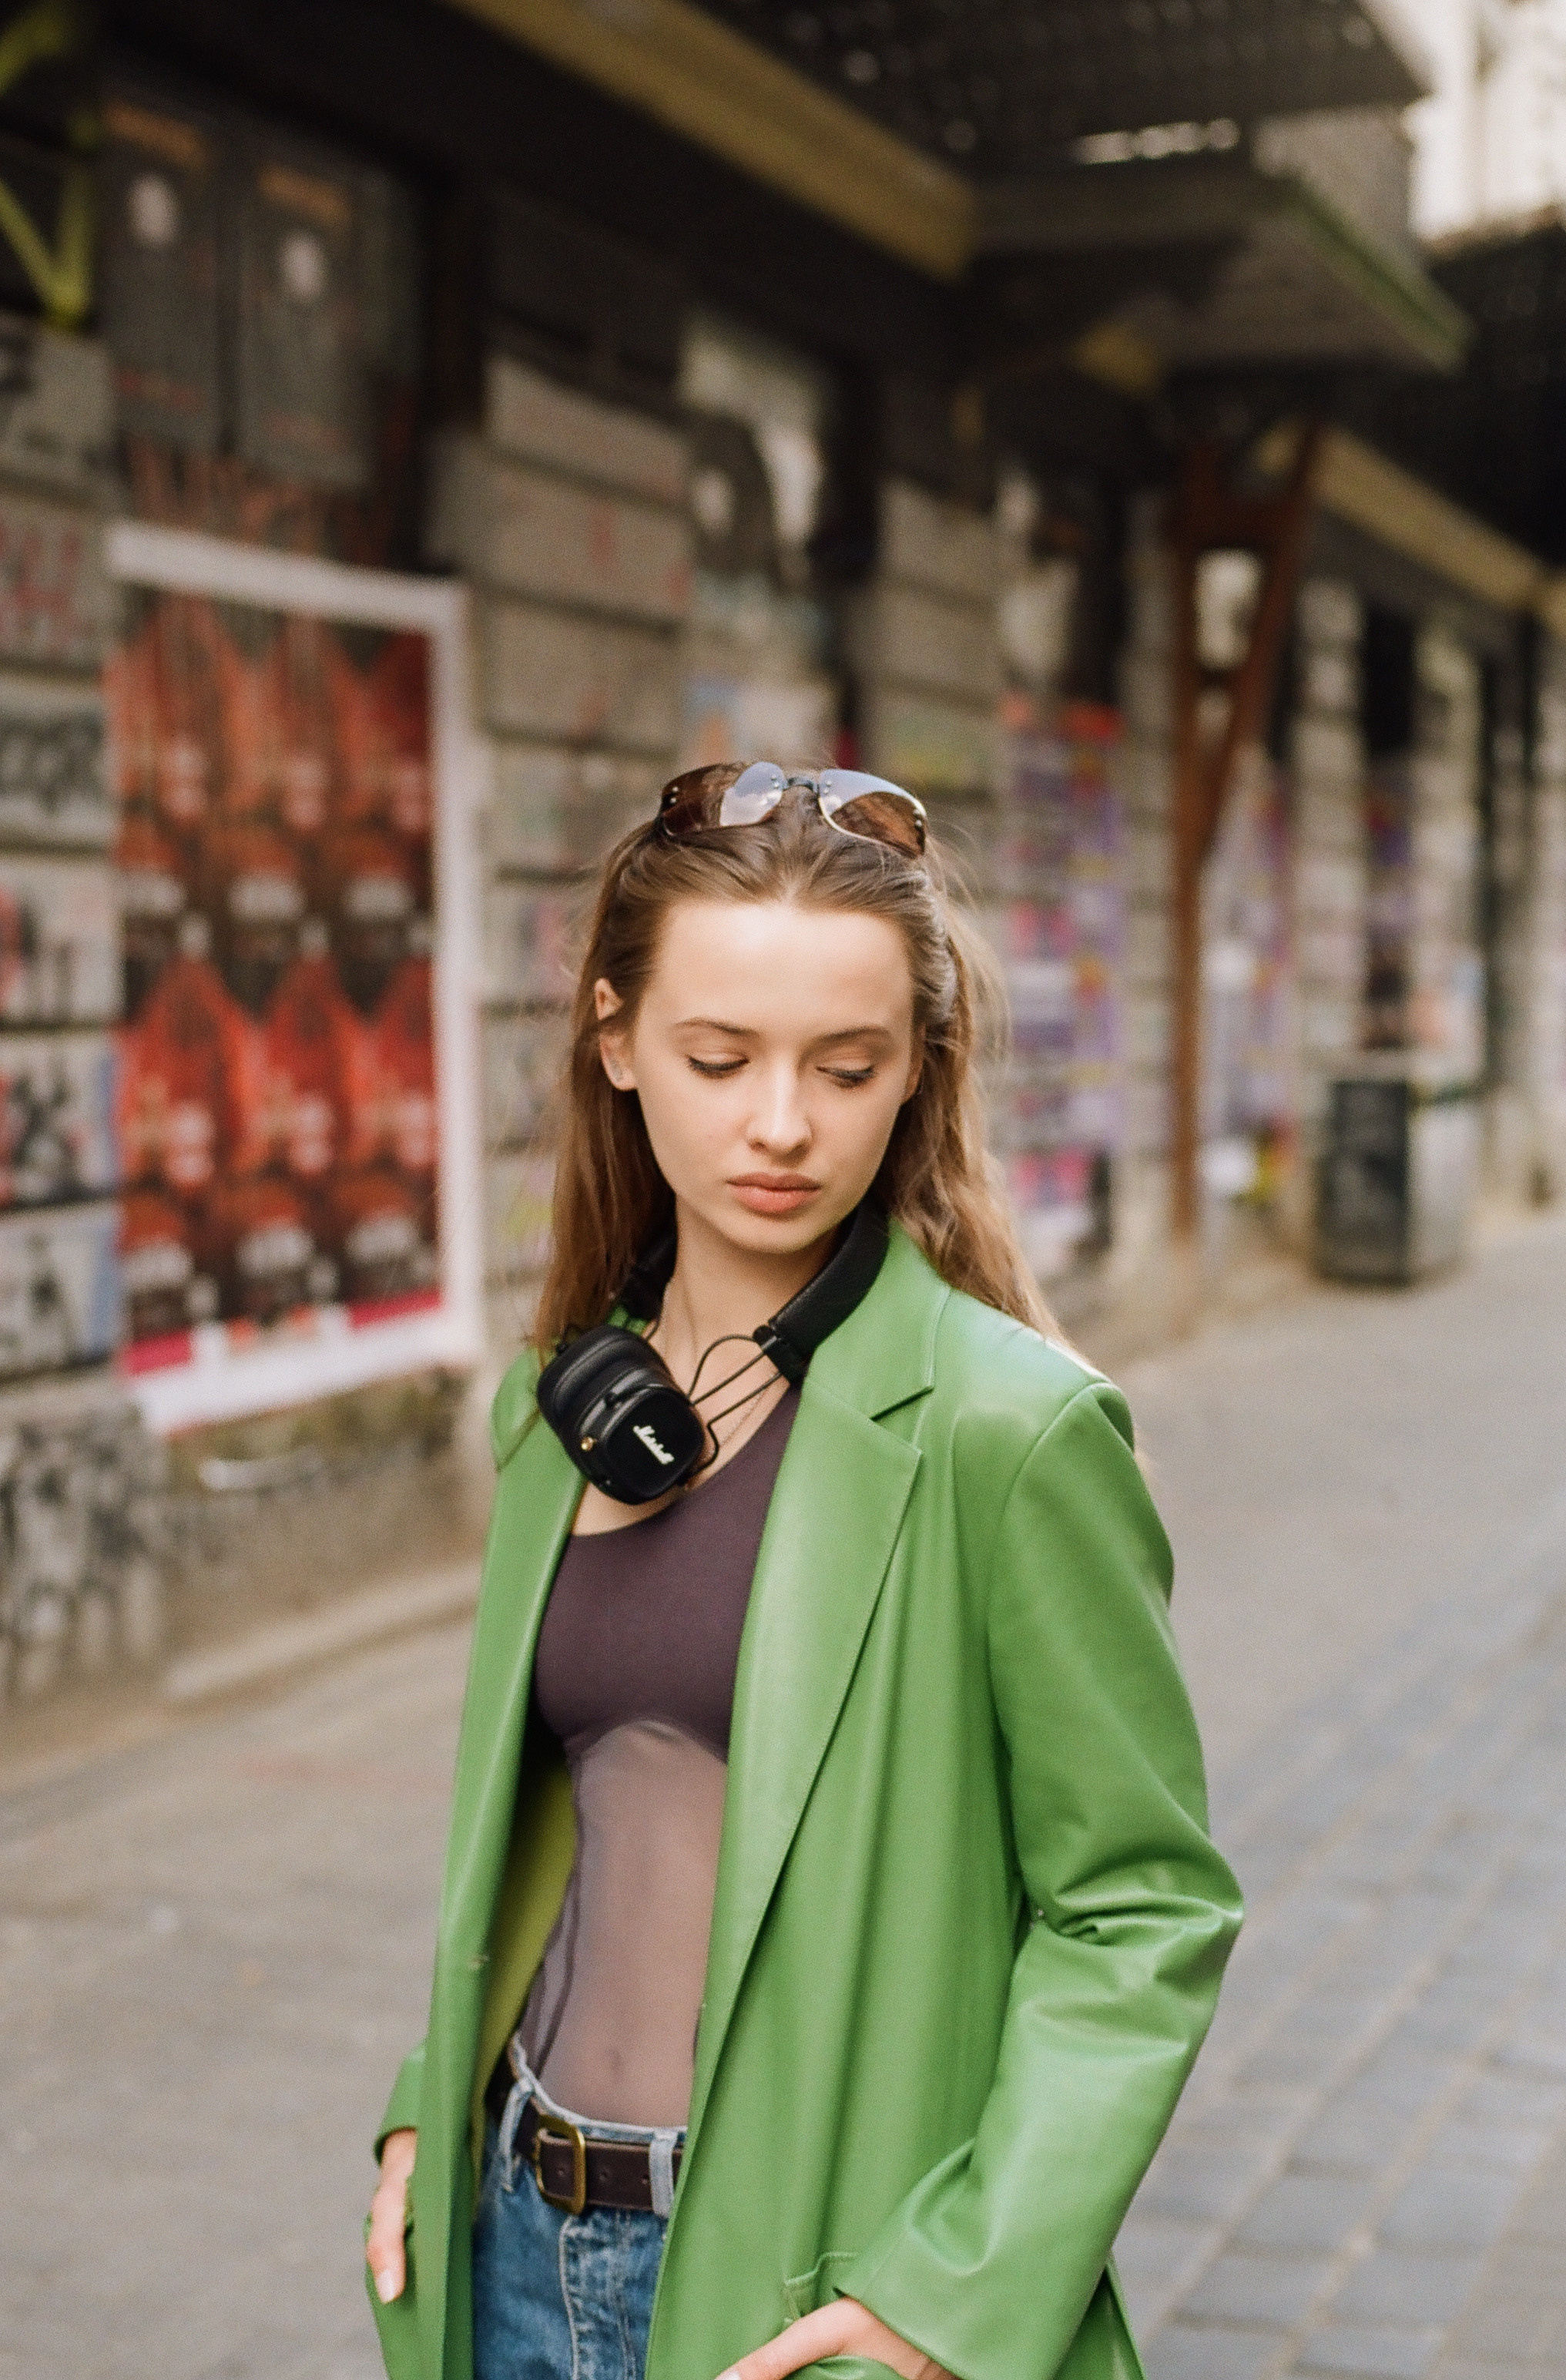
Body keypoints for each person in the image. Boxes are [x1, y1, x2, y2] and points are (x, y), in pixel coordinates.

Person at [364, 760, 1241, 2380]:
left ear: (918, 1071)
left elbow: (1142, 1907)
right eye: (718, 1057)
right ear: (616, 1038)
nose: (781, 1124)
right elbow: (540, 1833)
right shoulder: (558, 1408)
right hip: (504, 2236)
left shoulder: (1011, 1433)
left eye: (847, 1066)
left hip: (800, 2286)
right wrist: (431, 2098)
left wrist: (958, 2288)